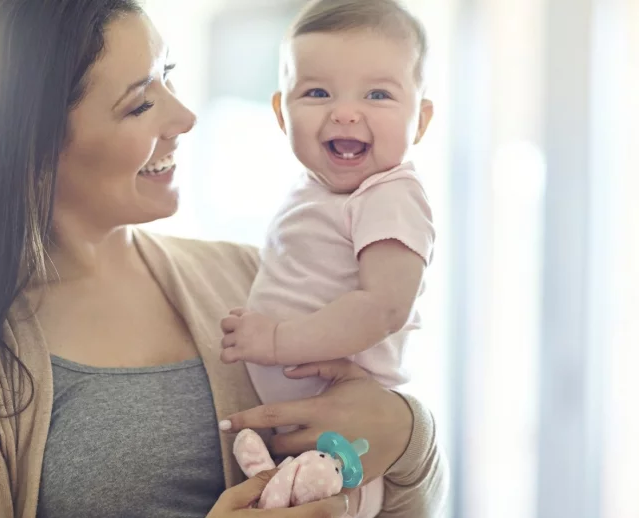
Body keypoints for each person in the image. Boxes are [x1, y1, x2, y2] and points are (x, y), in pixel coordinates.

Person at [0, 1, 447, 517]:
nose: (184, 116)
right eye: (138, 103)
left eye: (168, 75)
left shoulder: (253, 277)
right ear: (29, 144)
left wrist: (407, 434)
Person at [218, 1, 435, 515]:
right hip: (310, 430)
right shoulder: (315, 190)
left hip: (348, 435)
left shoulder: (390, 195)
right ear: (280, 112)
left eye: (378, 94)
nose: (345, 112)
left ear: (420, 119)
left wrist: (277, 340)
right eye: (317, 92)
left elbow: (384, 306)